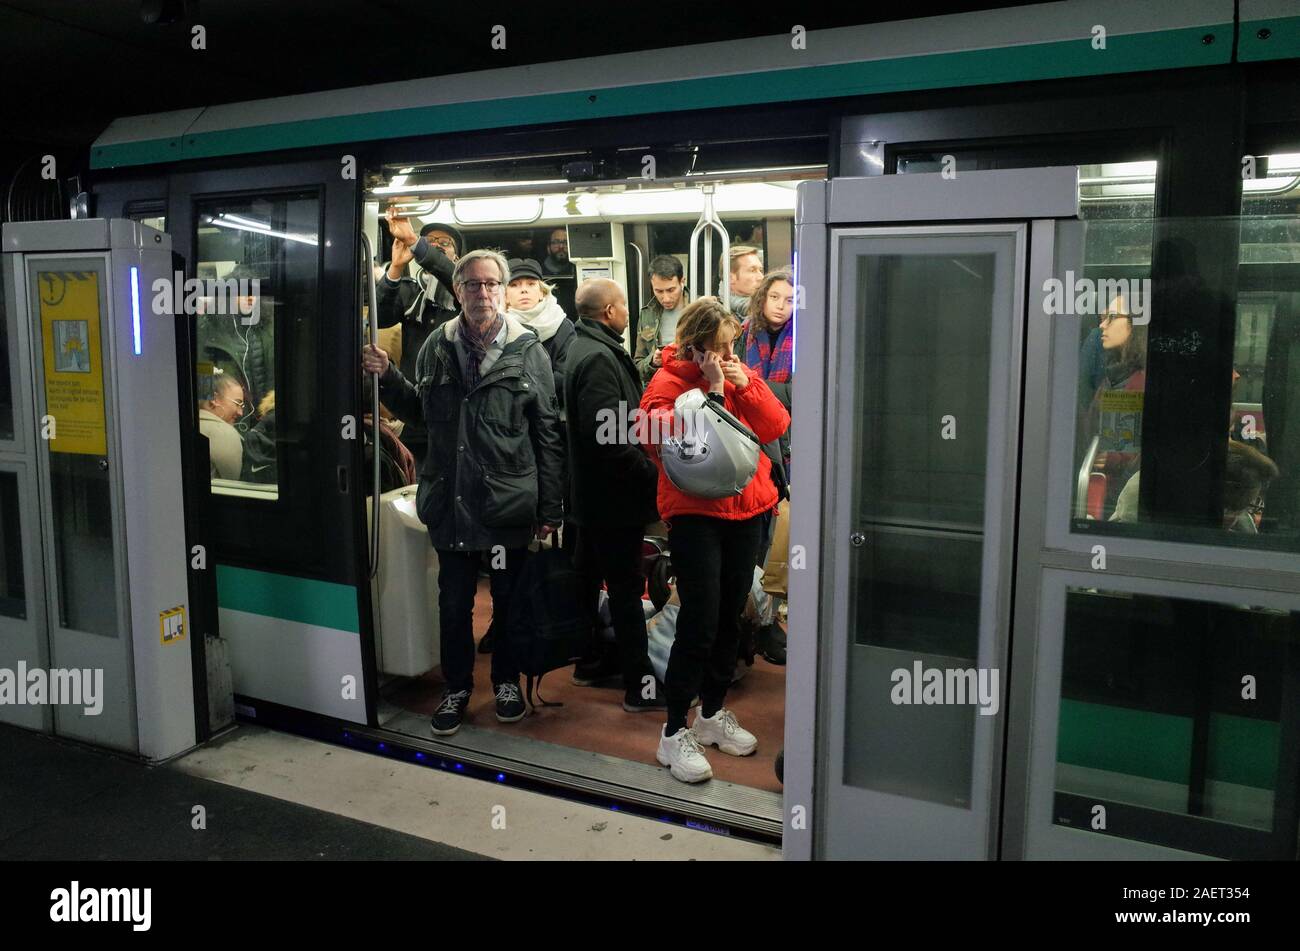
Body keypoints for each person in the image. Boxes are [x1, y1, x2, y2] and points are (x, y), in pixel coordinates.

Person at [361, 249, 565, 737]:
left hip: (506, 503)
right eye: (473, 285)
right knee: (452, 604)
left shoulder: (527, 350)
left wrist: (551, 507)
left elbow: (547, 434)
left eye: (492, 284)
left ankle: (506, 682)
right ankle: (456, 687)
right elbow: (419, 407)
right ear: (458, 292)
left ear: (503, 289)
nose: (484, 293)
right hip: (451, 500)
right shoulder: (437, 345)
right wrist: (388, 376)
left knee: (507, 599)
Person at [639, 296, 789, 783]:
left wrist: (746, 388)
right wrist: (717, 395)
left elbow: (776, 427)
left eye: (731, 346)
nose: (726, 355)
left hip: (747, 508)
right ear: (694, 347)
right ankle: (672, 731)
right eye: (717, 347)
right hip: (695, 515)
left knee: (730, 616)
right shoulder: (667, 382)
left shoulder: (738, 373)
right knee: (699, 620)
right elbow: (658, 439)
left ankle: (711, 715)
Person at [564, 278, 663, 711]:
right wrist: (649, 472)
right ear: (609, 312)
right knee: (626, 590)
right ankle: (639, 686)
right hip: (612, 500)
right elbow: (606, 435)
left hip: (590, 498)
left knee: (587, 580)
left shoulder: (584, 347)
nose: (628, 311)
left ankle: (590, 662)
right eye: (624, 304)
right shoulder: (601, 357)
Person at [736, 268, 796, 664]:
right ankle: (753, 624)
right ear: (762, 298)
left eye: (790, 300)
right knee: (752, 543)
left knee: (779, 539)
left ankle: (771, 620)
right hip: (748, 444)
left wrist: (752, 385)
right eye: (775, 297)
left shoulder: (810, 336)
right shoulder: (743, 335)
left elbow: (805, 390)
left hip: (791, 445)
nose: (781, 306)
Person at [378, 212, 464, 464]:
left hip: (456, 408)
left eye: (444, 242)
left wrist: (418, 242)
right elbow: (381, 317)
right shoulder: (411, 290)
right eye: (430, 240)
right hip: (414, 404)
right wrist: (395, 268)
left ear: (456, 257)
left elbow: (452, 276)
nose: (435, 244)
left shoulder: (466, 290)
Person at [197, 263, 274, 423]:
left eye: (254, 292)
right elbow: (203, 373)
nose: (251, 298)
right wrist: (209, 414)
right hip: (230, 416)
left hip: (265, 416)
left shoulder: (267, 327)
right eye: (244, 292)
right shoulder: (211, 330)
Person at [505, 258, 575, 411]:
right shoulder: (496, 327)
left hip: (552, 411)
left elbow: (566, 373)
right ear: (505, 296)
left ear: (542, 292)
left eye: (531, 284)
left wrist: (526, 394)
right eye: (514, 285)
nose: (524, 290)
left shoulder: (562, 325)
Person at [632, 255, 687, 384]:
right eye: (659, 291)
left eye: (671, 290)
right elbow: (638, 364)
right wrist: (652, 361)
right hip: (661, 388)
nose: (666, 298)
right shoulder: (647, 315)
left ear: (682, 281)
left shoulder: (699, 308)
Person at [198, 374, 245, 480]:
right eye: (238, 403)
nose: (240, 412)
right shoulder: (225, 434)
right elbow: (232, 484)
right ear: (214, 399)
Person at [719, 245, 764, 319]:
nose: (761, 277)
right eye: (752, 270)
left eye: (761, 270)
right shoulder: (719, 316)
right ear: (730, 278)